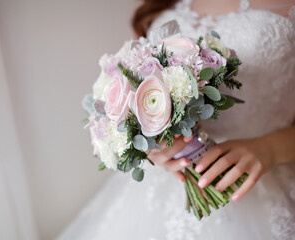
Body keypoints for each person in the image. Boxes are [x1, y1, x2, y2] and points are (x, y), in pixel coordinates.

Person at [58, 0, 295, 239]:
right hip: (166, 183)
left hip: (265, 176)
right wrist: (152, 141)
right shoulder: (162, 4)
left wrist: (270, 149)